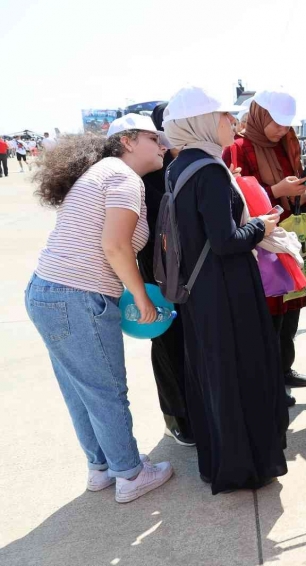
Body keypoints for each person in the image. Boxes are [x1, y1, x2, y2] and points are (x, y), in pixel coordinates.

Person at [26, 115, 175, 503]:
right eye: (152, 137)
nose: (161, 144)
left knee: (81, 390)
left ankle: (102, 466)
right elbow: (116, 246)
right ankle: (129, 474)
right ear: (126, 141)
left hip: (50, 292)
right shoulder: (122, 178)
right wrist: (141, 297)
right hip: (77, 296)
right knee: (106, 390)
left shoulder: (104, 173)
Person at [163, 85, 288, 493]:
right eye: (223, 116)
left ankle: (221, 461)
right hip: (227, 288)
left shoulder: (180, 166)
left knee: (215, 374)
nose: (232, 122)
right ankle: (246, 466)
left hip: (201, 292)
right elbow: (226, 241)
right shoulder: (211, 171)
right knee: (243, 370)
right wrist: (263, 226)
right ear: (201, 122)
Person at [222, 90, 306, 405]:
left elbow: (295, 176)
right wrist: (276, 190)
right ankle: (270, 382)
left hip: (288, 235)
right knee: (268, 316)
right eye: (276, 123)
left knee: (290, 309)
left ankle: (283, 370)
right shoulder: (237, 149)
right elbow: (235, 196)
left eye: (286, 124)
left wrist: (302, 191)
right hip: (261, 242)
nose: (281, 130)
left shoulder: (286, 143)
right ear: (260, 115)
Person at [136, 102, 194, 446]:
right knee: (168, 341)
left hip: (192, 270)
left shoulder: (186, 161)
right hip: (158, 273)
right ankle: (177, 416)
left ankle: (195, 408)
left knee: (191, 341)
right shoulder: (145, 171)